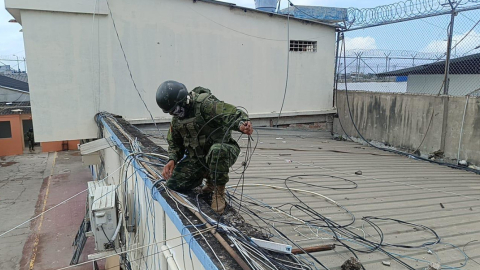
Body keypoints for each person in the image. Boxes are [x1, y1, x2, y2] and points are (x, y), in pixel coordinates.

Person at [156, 80, 253, 214]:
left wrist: (242, 124)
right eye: (171, 112)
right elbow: (175, 143)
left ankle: (218, 190)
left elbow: (230, 114)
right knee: (174, 184)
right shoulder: (177, 120)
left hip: (222, 151)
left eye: (177, 109)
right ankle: (207, 175)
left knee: (217, 151)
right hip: (198, 159)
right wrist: (172, 159)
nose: (175, 114)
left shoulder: (205, 105)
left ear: (184, 100)